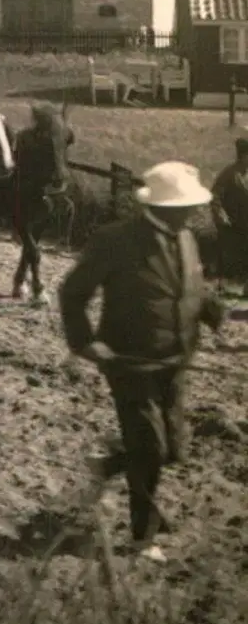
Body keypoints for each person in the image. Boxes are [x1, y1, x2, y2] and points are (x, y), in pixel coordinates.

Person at [59, 161, 227, 563]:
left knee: (172, 449)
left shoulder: (185, 237)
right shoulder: (115, 240)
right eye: (185, 206)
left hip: (176, 360)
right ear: (163, 207)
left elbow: (192, 291)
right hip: (129, 361)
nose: (192, 213)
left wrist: (221, 313)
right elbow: (73, 293)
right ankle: (142, 536)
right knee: (151, 448)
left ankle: (112, 462)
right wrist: (86, 342)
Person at [210, 137, 248, 298]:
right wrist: (221, 215)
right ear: (242, 156)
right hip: (234, 225)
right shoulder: (229, 173)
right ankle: (223, 285)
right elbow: (215, 197)